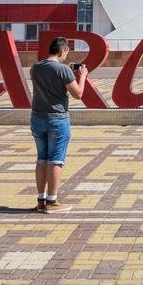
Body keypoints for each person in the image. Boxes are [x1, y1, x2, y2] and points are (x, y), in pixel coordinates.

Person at [30, 37, 90, 213]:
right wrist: (83, 76)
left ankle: (41, 200)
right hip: (57, 119)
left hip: (37, 117)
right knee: (56, 160)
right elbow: (78, 94)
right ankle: (52, 201)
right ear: (63, 51)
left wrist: (67, 70)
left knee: (42, 159)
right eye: (66, 53)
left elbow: (50, 78)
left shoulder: (36, 67)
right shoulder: (63, 70)